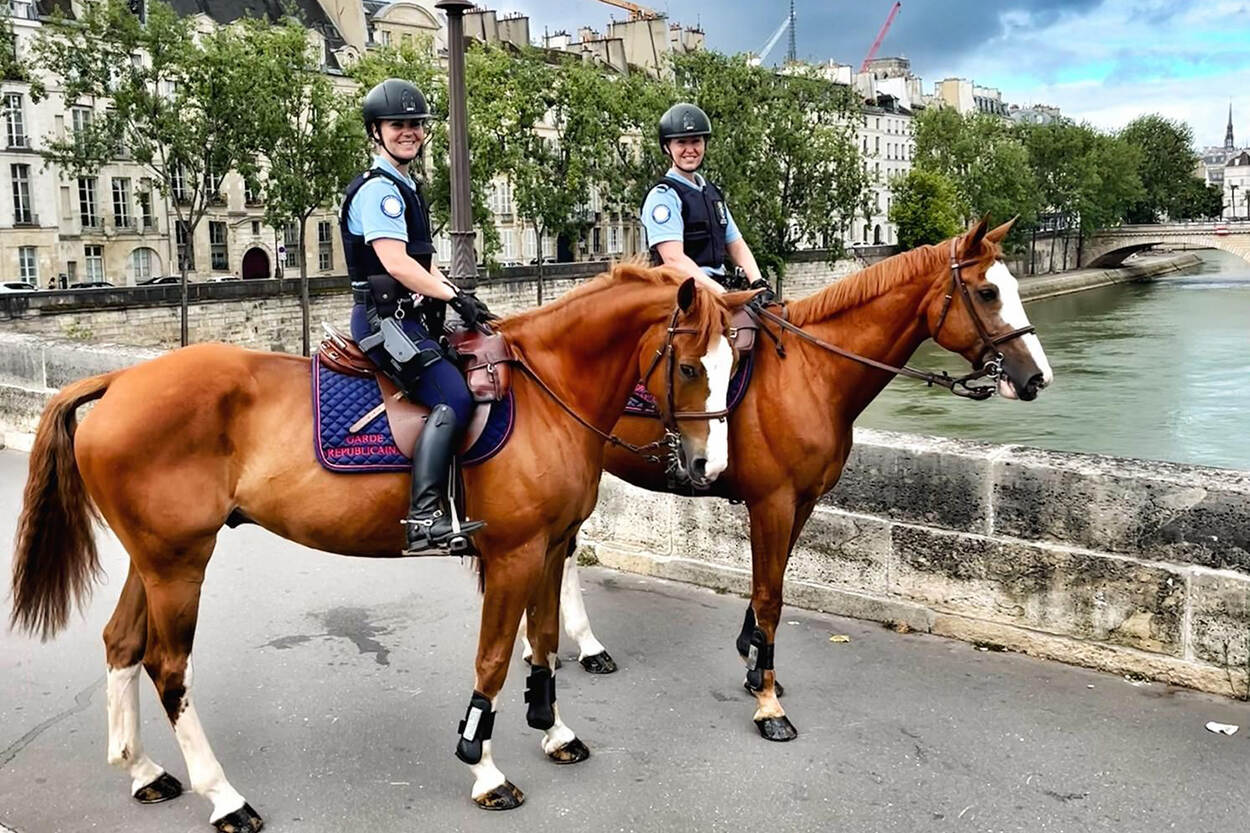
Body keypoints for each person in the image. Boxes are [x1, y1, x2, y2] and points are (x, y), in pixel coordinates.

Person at [340, 78, 495, 555]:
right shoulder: (379, 191)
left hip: (411, 320)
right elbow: (396, 264)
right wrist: (452, 297)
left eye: (415, 124)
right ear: (376, 132)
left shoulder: (406, 187)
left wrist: (461, 297)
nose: (408, 131)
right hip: (385, 323)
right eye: (397, 124)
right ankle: (424, 517)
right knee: (454, 397)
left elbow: (423, 263)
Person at [640, 102, 774, 305]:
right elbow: (674, 259)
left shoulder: (712, 193)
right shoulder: (663, 197)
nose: (690, 150)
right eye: (681, 143)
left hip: (718, 288)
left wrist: (758, 282)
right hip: (683, 296)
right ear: (667, 147)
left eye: (696, 141)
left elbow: (736, 244)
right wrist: (722, 294)